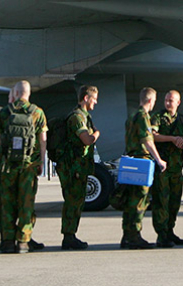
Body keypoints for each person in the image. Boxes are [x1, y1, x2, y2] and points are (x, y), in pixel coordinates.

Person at [0, 80, 48, 253]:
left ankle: (7, 241)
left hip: (7, 167)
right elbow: (43, 140)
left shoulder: (4, 113)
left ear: (15, 94)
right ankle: (23, 241)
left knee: (7, 203)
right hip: (28, 166)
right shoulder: (37, 113)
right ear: (28, 93)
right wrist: (41, 162)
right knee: (26, 203)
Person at [119, 87, 167, 250]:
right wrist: (159, 160)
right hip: (141, 162)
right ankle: (134, 236)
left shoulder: (131, 116)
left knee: (130, 200)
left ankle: (127, 235)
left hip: (131, 160)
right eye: (153, 101)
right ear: (150, 100)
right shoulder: (143, 116)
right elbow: (148, 140)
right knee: (140, 200)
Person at [150, 89, 183, 248]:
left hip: (177, 169)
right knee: (161, 201)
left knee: (174, 202)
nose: (168, 103)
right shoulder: (158, 117)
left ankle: (170, 231)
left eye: (171, 100)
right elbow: (152, 135)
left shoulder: (182, 120)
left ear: (178, 102)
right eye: (166, 100)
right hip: (163, 168)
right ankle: (161, 235)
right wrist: (172, 139)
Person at [60, 85, 100, 250]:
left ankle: (71, 235)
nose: (95, 102)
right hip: (73, 168)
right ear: (86, 98)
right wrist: (97, 134)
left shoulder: (84, 116)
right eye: (94, 98)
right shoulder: (77, 117)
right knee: (73, 201)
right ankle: (68, 237)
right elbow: (87, 140)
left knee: (76, 202)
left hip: (78, 167)